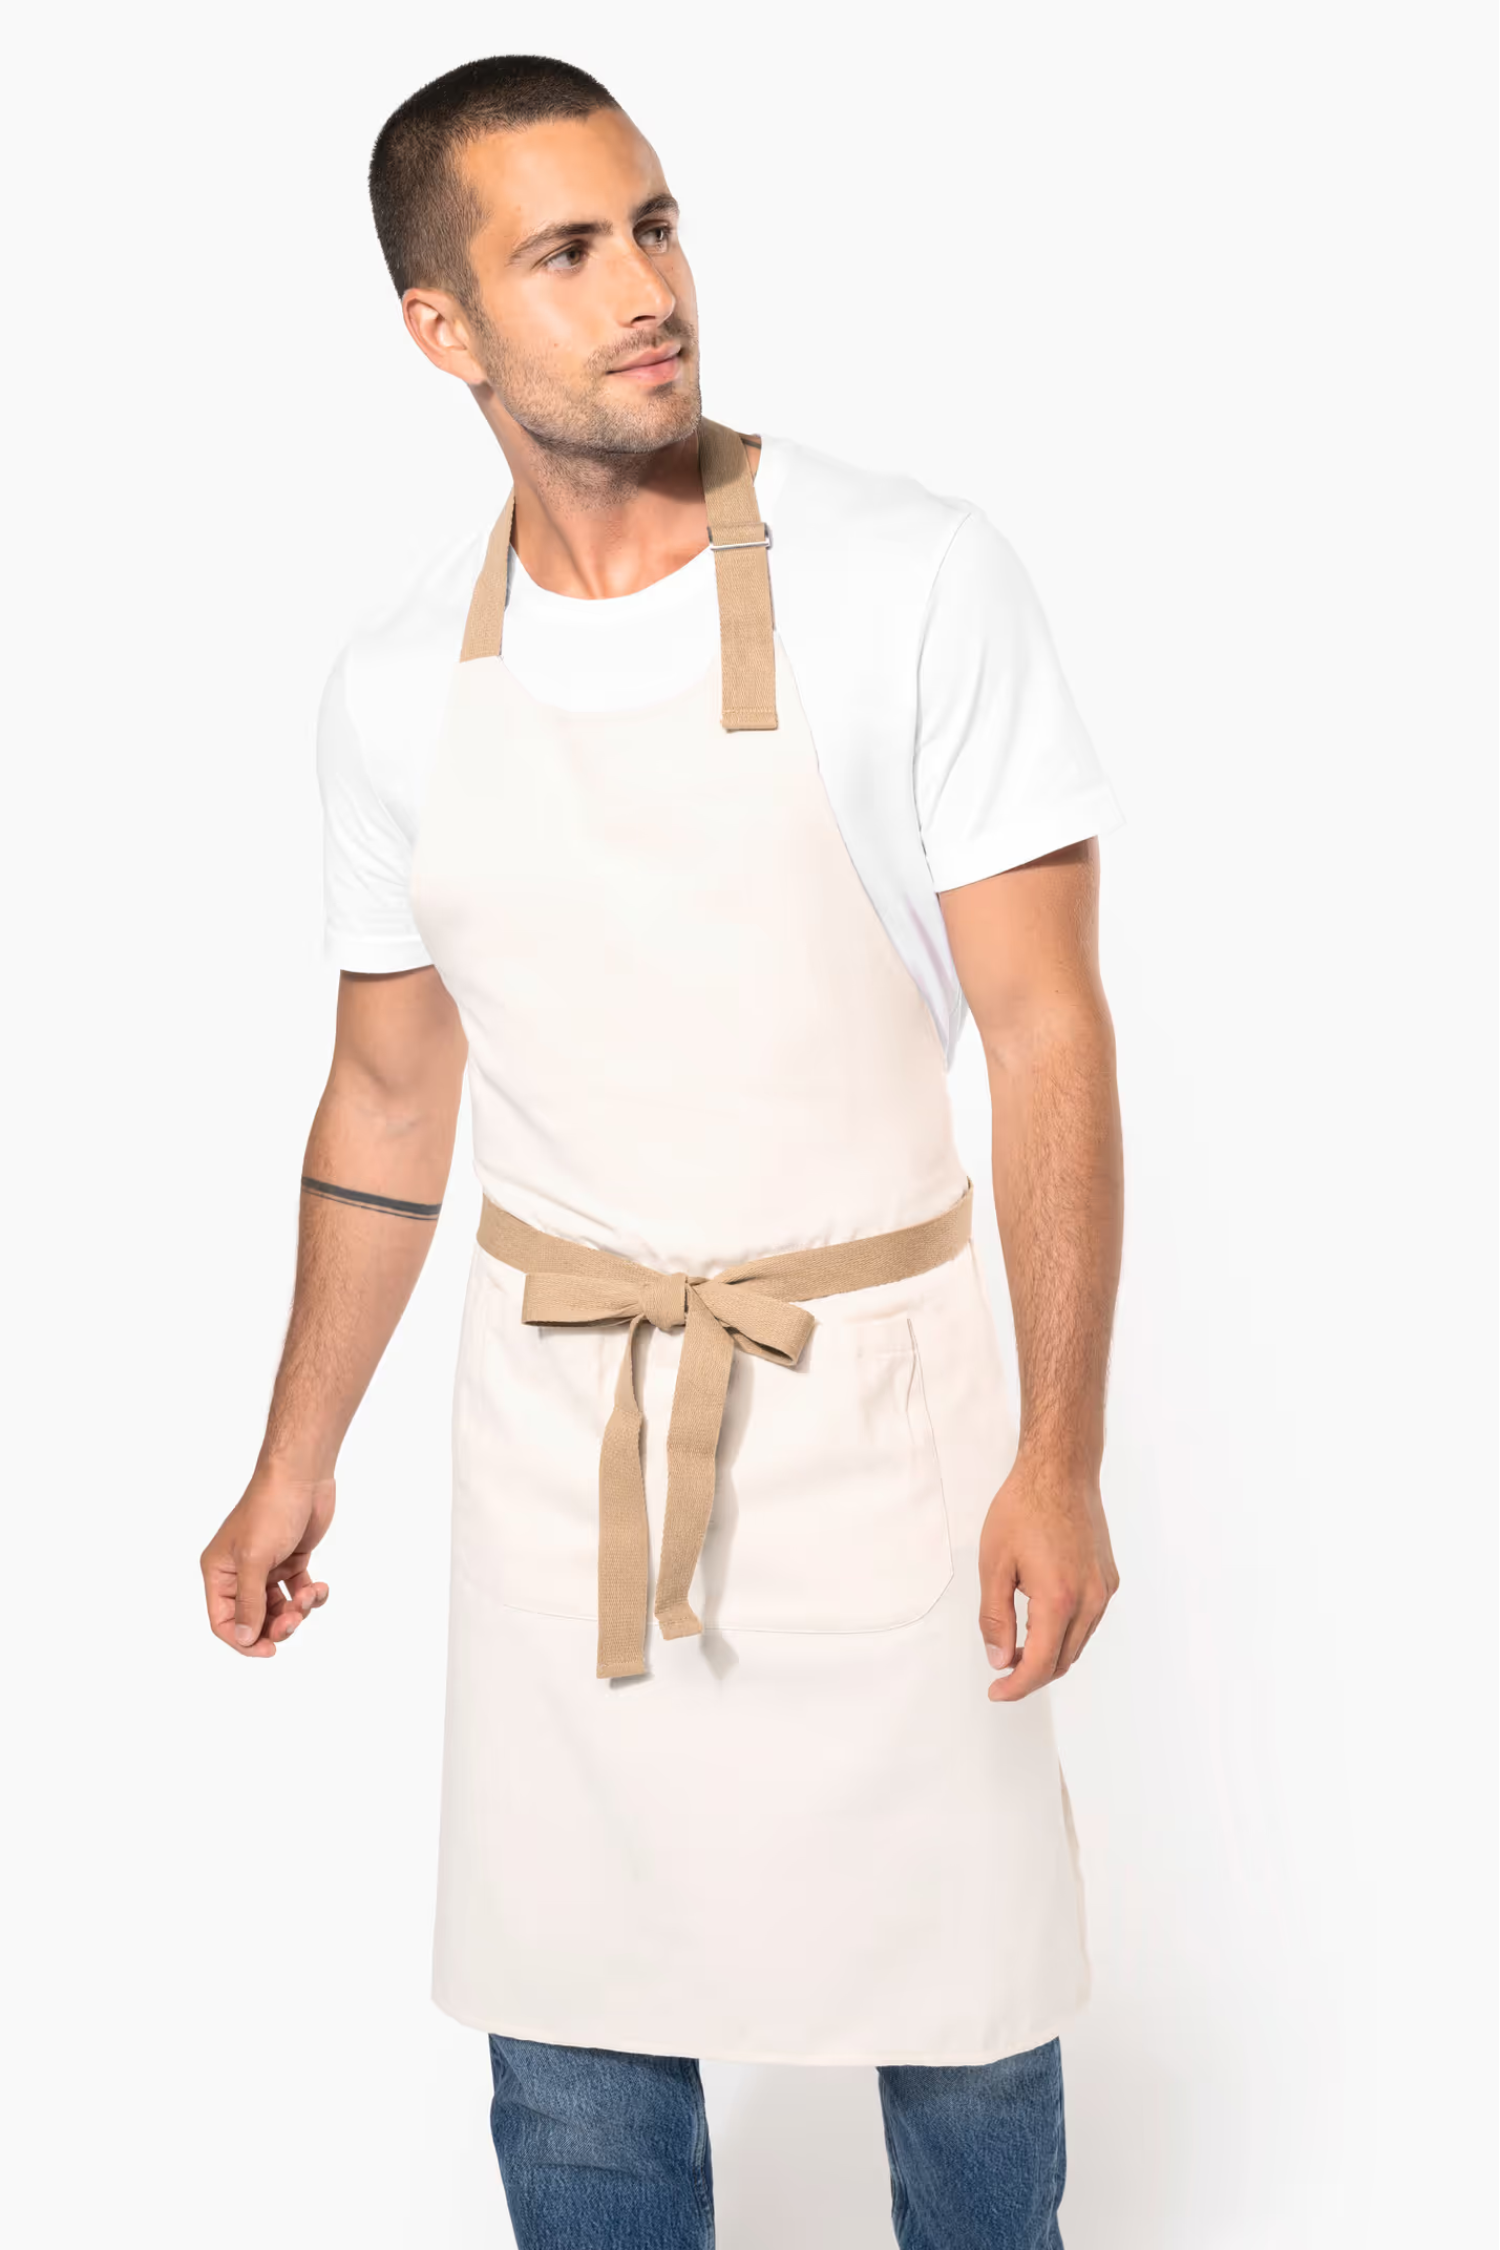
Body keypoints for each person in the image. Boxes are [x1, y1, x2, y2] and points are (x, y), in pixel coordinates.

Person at [199, 51, 1126, 2250]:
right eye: (566, 252)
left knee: (965, 2003)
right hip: (559, 1433)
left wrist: (1061, 1453)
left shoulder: (913, 578)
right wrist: (294, 1450)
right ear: (442, 326)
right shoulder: (396, 688)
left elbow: (1047, 1032)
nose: (647, 289)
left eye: (656, 225)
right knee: (576, 2025)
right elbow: (388, 1094)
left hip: (883, 1411)